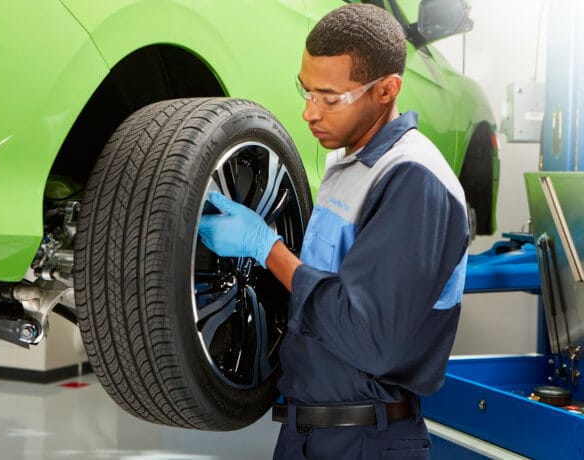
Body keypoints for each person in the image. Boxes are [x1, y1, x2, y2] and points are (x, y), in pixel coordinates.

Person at [198, 3, 469, 459]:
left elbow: (370, 339)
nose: (309, 113)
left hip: (367, 440)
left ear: (386, 90)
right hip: (308, 432)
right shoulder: (348, 163)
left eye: (329, 98)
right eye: (306, 92)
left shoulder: (414, 180)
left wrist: (268, 249)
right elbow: (319, 288)